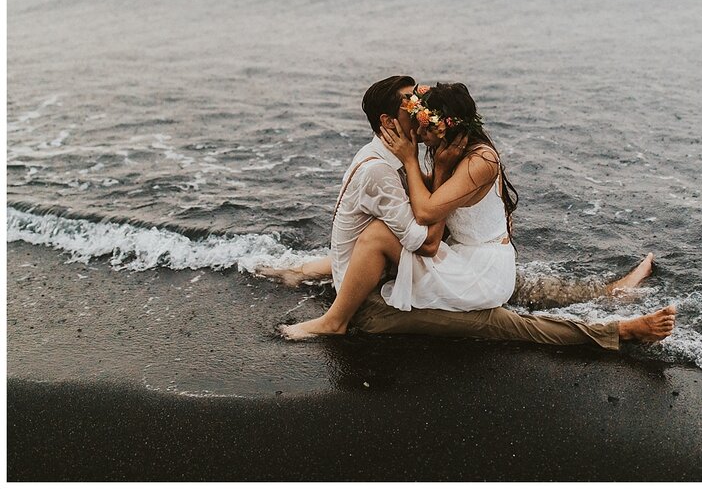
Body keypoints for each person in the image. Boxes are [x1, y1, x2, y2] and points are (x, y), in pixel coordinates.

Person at [266, 75, 676, 347]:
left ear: (444, 124)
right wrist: (311, 269)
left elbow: (424, 222)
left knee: (514, 310)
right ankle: (616, 309)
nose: (419, 117)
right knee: (519, 309)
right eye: (413, 108)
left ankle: (616, 317)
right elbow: (416, 230)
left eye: (424, 112)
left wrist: (421, 163)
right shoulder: (420, 156)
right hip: (439, 272)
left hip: (477, 265)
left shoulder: (461, 159)